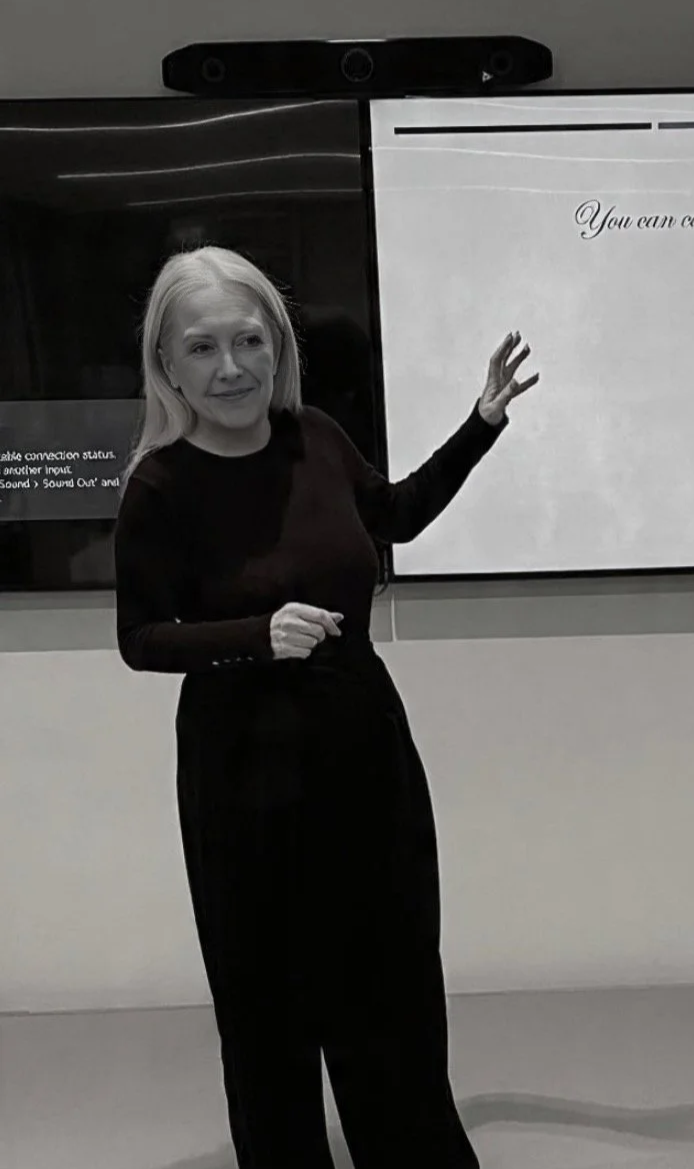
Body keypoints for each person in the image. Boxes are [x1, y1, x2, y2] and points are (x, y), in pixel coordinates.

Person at [114, 245, 538, 1168]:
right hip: (243, 770)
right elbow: (141, 639)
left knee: (390, 985)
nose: (230, 367)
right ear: (166, 364)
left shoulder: (316, 436)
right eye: (200, 348)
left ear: (277, 344)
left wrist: (481, 422)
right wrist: (250, 634)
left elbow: (397, 514)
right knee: (267, 1005)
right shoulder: (158, 487)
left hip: (364, 748)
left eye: (248, 339)